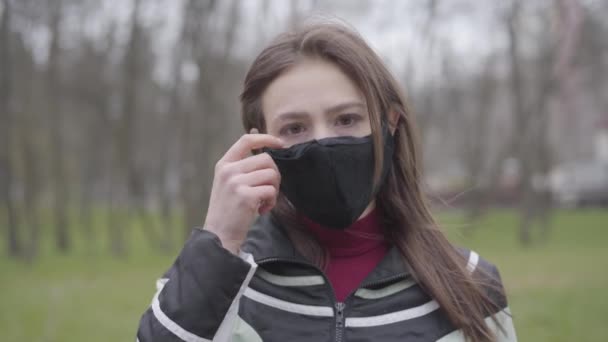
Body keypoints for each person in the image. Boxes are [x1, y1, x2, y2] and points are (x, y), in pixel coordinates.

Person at [136, 22, 517, 342]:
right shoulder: (214, 277)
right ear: (259, 144)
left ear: (391, 122)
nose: (322, 142)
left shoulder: (470, 283)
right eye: (295, 128)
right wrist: (219, 241)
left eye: (346, 119)